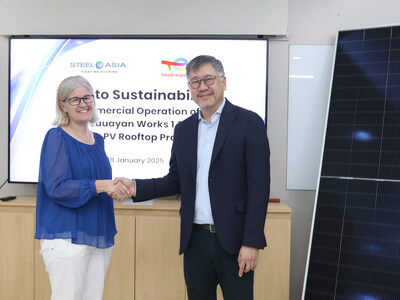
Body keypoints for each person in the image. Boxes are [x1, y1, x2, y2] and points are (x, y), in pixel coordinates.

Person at [112, 55, 270, 300]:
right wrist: (135, 186)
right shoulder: (183, 129)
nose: (202, 87)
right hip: (195, 241)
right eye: (195, 82)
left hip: (235, 240)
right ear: (189, 89)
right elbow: (174, 180)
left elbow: (259, 189)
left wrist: (251, 243)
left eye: (209, 79)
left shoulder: (249, 122)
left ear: (223, 82)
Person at [34, 75, 130, 300]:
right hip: (67, 239)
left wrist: (115, 189)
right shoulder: (56, 136)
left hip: (99, 235)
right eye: (75, 99)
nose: (83, 104)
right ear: (63, 106)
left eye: (87, 97)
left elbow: (98, 185)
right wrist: (100, 185)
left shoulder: (98, 140)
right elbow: (57, 187)